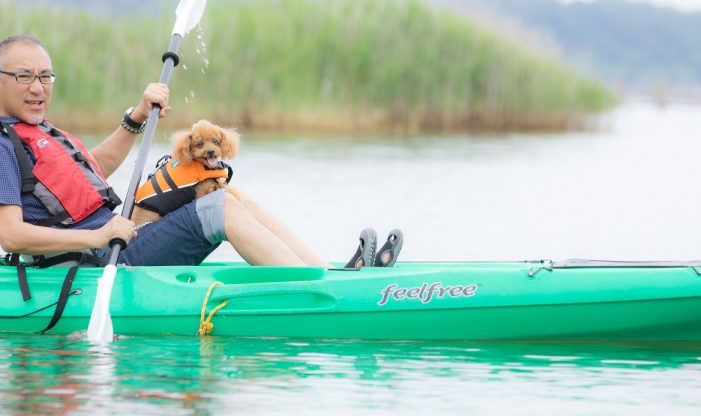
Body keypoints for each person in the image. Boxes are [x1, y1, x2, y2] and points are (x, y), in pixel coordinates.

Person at [0, 35, 403, 269]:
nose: (38, 87)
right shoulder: (4, 145)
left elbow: (96, 169)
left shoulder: (38, 132)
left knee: (229, 196)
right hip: (99, 257)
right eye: (23, 76)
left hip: (116, 236)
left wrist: (137, 116)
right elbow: (10, 235)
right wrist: (103, 233)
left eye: (45, 76)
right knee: (219, 209)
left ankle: (326, 272)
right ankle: (324, 291)